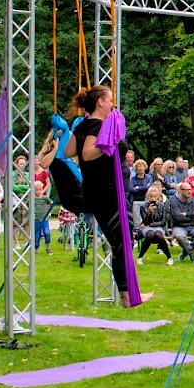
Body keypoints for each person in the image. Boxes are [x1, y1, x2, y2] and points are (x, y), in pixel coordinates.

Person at [56, 85, 151, 307]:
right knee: (123, 242)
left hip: (100, 193)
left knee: (121, 242)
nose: (112, 105)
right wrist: (107, 144)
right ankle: (128, 296)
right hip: (107, 194)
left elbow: (69, 152)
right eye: (109, 100)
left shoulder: (87, 125)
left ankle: (128, 294)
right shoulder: (98, 126)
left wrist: (70, 133)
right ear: (100, 102)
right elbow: (86, 154)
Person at [169, 181, 194, 263]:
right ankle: (191, 255)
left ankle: (185, 251)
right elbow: (177, 217)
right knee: (180, 237)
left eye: (190, 189)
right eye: (186, 190)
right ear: (181, 190)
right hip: (178, 226)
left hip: (192, 226)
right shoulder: (174, 201)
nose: (189, 191)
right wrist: (193, 215)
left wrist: (186, 214)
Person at [136, 185, 173, 265]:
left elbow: (163, 222)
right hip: (147, 228)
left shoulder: (162, 205)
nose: (153, 198)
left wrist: (151, 224)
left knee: (158, 235)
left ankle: (169, 257)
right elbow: (145, 222)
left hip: (158, 227)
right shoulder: (143, 206)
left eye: (155, 196)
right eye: (151, 196)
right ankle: (140, 257)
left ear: (158, 197)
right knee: (150, 234)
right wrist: (149, 213)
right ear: (148, 197)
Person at [128, 159, 152, 226]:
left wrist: (138, 187)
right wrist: (144, 187)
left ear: (145, 167)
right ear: (136, 168)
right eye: (138, 167)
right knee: (136, 221)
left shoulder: (149, 177)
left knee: (146, 219)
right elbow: (131, 189)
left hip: (146, 201)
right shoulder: (133, 178)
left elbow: (149, 188)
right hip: (136, 201)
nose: (140, 168)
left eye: (142, 166)